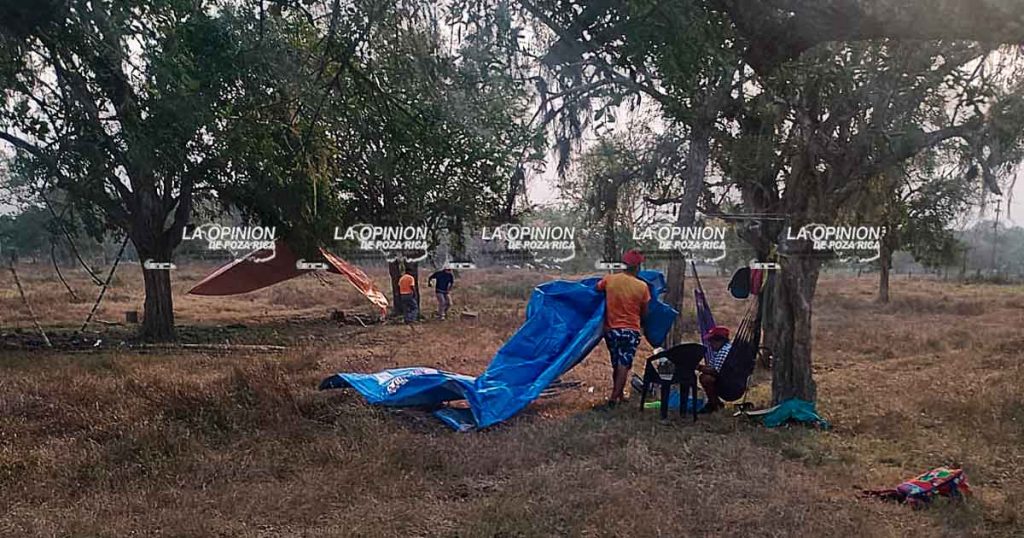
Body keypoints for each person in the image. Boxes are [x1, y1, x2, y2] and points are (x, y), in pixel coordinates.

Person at [596, 249, 651, 407]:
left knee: (617, 363)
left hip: (611, 330)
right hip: (630, 330)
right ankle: (614, 398)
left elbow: (596, 289)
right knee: (624, 364)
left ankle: (619, 394)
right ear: (638, 267)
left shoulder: (610, 280)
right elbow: (645, 312)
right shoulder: (642, 286)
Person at [698, 325, 732, 413]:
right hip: (725, 380)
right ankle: (713, 403)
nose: (710, 344)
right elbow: (711, 366)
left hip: (730, 384)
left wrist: (698, 367)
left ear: (720, 340)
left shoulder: (724, 351)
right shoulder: (718, 351)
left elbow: (715, 371)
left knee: (706, 379)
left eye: (711, 341)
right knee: (704, 376)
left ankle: (716, 406)